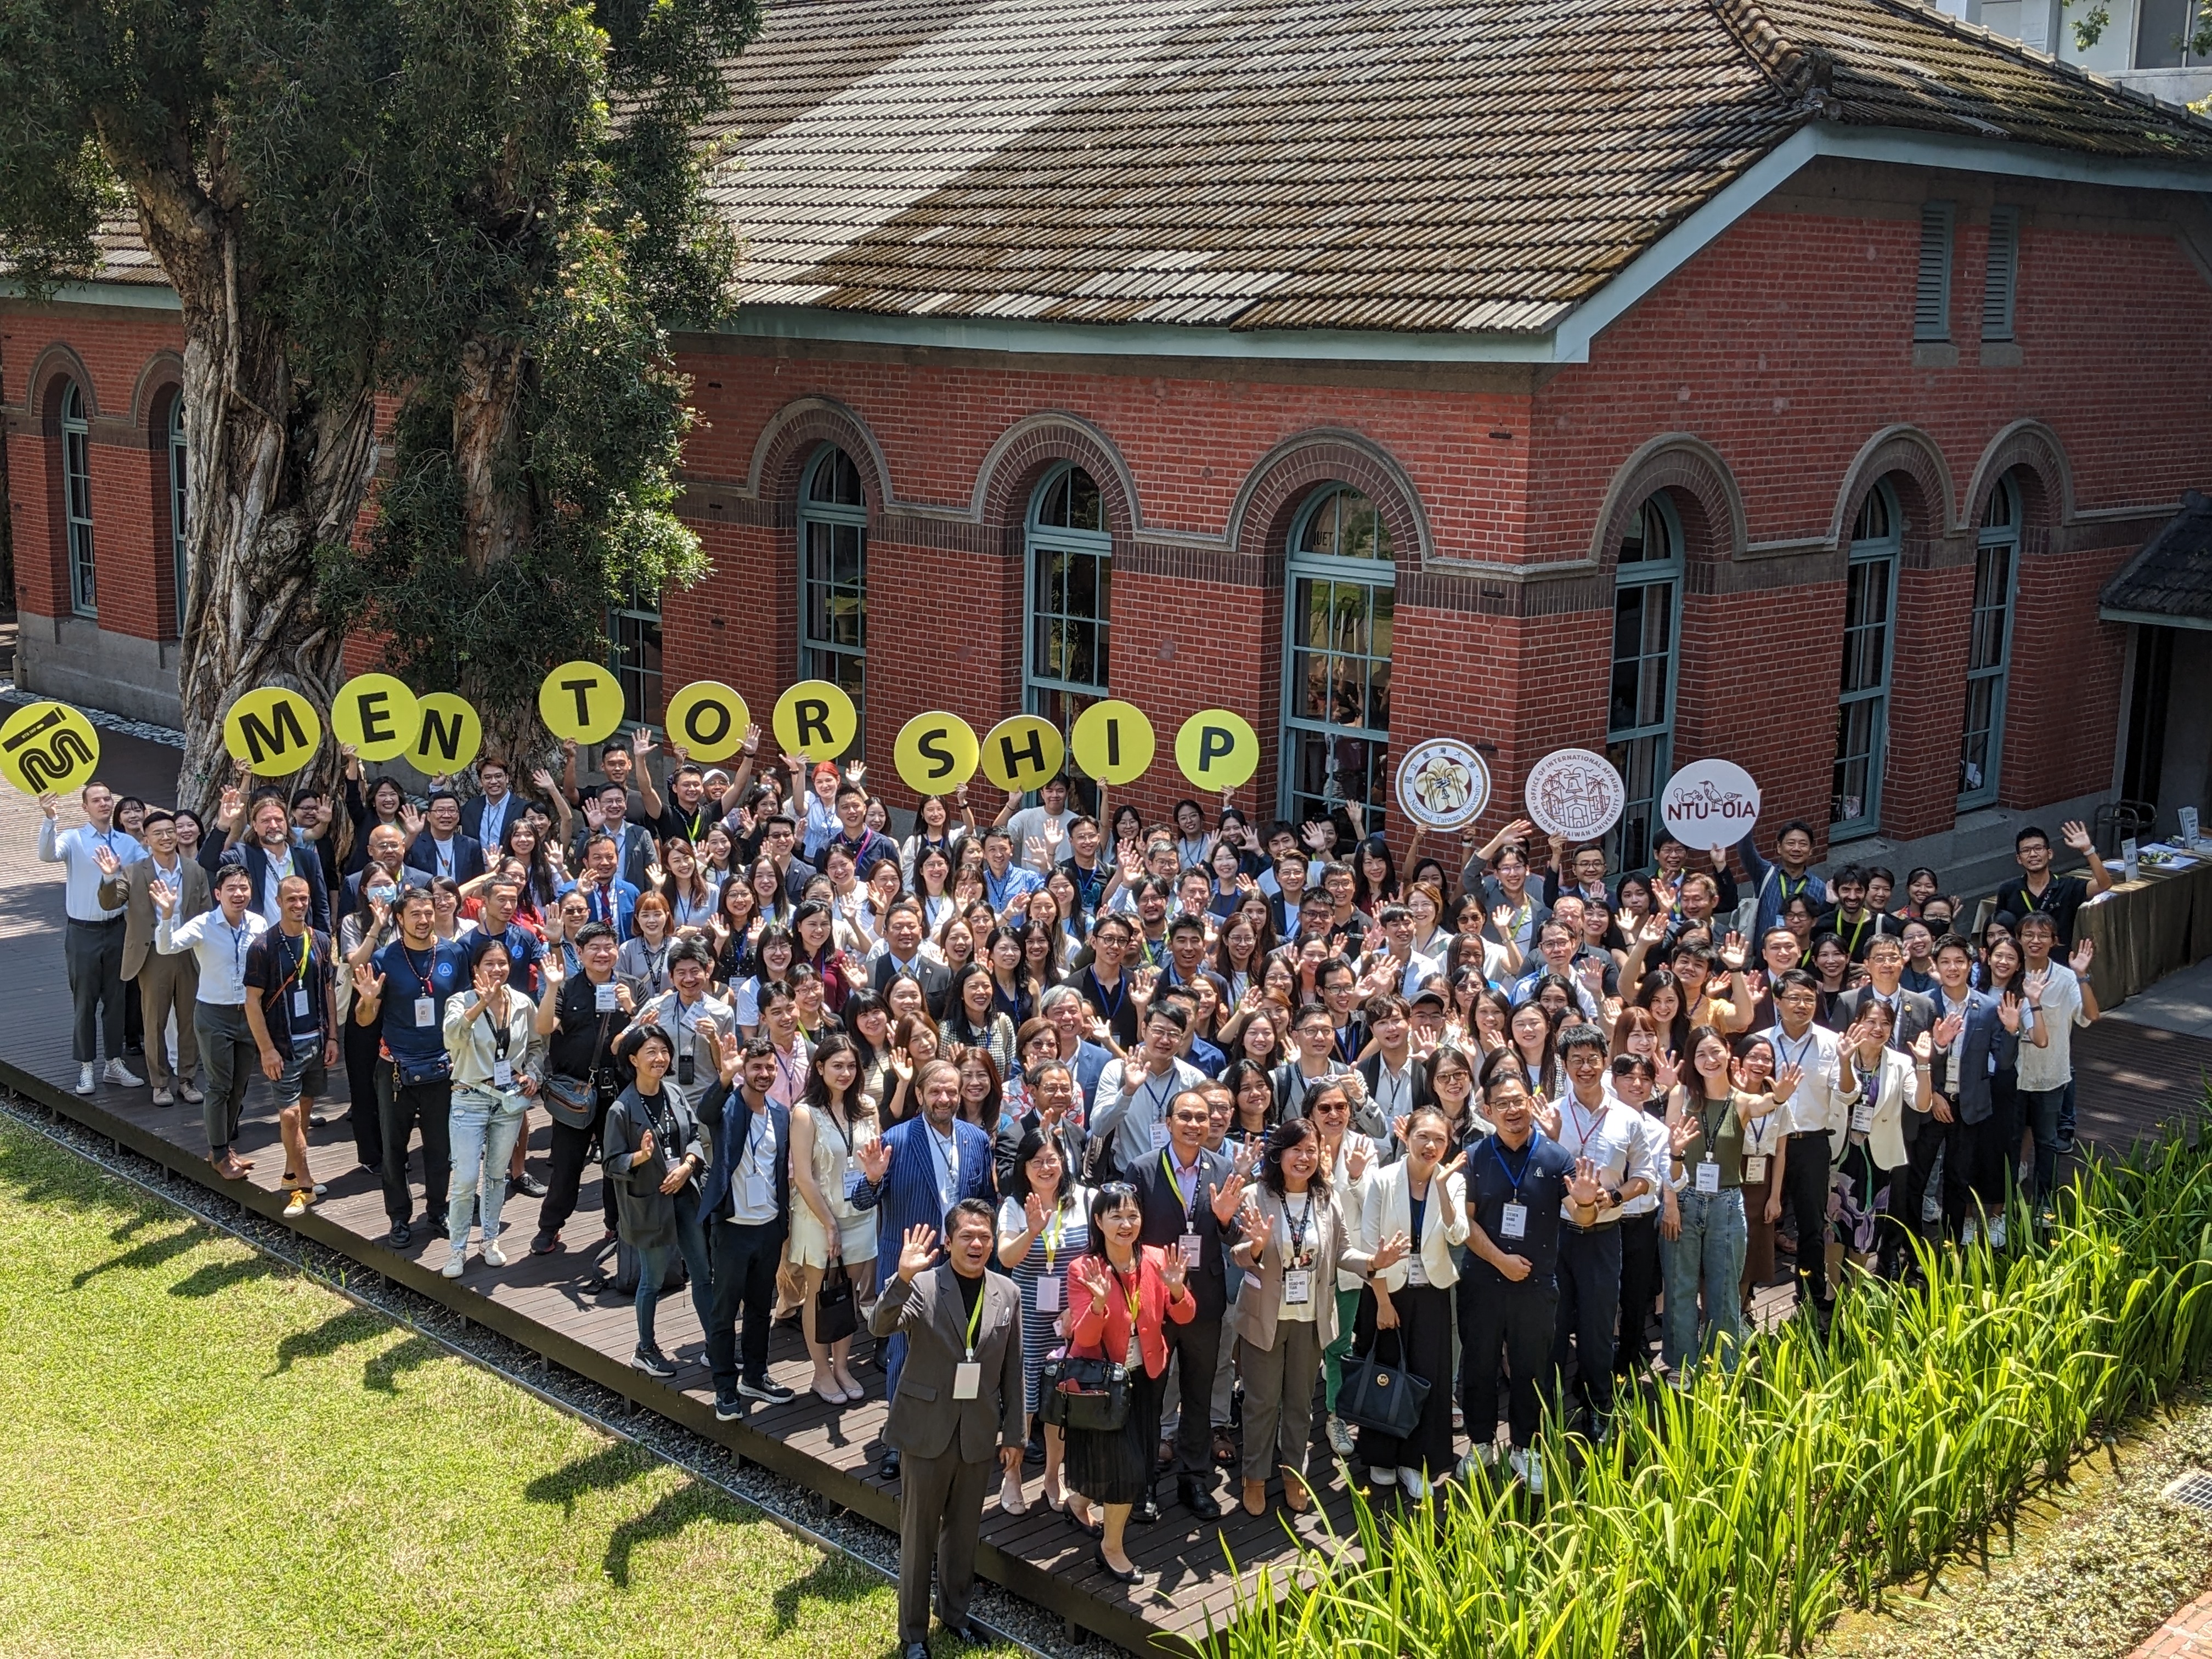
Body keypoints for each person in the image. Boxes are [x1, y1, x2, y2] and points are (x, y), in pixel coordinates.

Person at [1227, 1110, 1400, 1517]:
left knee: (1302, 1401)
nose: (1303, 1158)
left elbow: (1342, 1252)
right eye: (1295, 1150)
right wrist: (1256, 1246)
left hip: (1311, 1316)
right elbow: (1240, 1257)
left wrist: (1374, 1261)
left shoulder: (1328, 1198)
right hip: (1265, 1316)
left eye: (1311, 1150)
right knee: (1261, 1402)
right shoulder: (1256, 1196)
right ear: (1278, 1154)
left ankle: (1293, 1475)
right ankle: (1254, 1477)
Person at [871, 1205, 1024, 1659]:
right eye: (967, 1237)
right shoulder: (922, 1285)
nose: (977, 1245)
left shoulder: (1008, 1292)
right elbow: (880, 1325)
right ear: (950, 1240)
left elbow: (1013, 1371)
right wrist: (900, 1278)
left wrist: (1013, 1435)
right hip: (927, 1431)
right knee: (919, 1538)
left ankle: (955, 1616)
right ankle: (913, 1634)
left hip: (977, 1433)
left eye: (985, 1237)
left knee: (963, 1533)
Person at [1458, 1055, 1605, 1493]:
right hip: (1483, 1281)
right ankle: (1481, 1443)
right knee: (1480, 1367)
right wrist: (1500, 1259)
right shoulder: (1474, 1158)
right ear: (1487, 1112)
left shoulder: (1557, 1157)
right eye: (1501, 1104)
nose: (1512, 1110)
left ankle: (1526, 1446)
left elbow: (1585, 1219)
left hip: (1537, 1284)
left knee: (1532, 1369)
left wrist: (1585, 1201)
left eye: (1518, 1100)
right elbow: (1465, 1224)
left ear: (1531, 1101)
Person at [849, 1057, 998, 1477]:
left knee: (958, 1347)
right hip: (910, 1263)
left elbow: (983, 1200)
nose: (945, 1098)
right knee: (903, 1352)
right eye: (936, 1091)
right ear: (919, 1095)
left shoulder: (974, 1139)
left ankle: (951, 1429)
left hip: (962, 1263)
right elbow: (861, 1201)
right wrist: (874, 1179)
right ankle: (897, 1441)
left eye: (952, 1091)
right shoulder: (895, 1138)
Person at [1062, 1182, 1199, 1583]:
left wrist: (1177, 1290)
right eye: (1116, 1216)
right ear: (1099, 1221)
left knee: (1130, 1456)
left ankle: (1079, 1500)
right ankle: (1112, 1548)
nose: (1126, 1224)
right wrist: (1099, 1304)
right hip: (1104, 1382)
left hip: (1147, 1375)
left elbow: (1186, 1316)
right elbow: (1085, 1340)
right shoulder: (1083, 1268)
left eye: (1133, 1215)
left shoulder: (1156, 1259)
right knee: (1128, 1468)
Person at [1132, 1088, 1248, 1521]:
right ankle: (1143, 1482)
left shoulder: (1222, 1169)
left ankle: (1194, 1480)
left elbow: (1235, 1235)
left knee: (1200, 1392)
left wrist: (1222, 1219)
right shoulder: (1143, 1170)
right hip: (1156, 1299)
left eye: (1204, 1117)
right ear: (1169, 1122)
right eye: (1187, 1116)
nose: (1196, 1124)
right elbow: (1129, 1233)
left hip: (1205, 1299)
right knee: (1151, 1393)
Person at [1546, 1022, 1657, 1430]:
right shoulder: (1551, 1114)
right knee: (1553, 1328)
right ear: (1564, 1065)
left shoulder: (1629, 1118)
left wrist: (1611, 1199)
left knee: (1596, 1326)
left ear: (1606, 1063)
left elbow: (1645, 1175)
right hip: (1557, 1235)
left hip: (1605, 1234)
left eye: (1593, 1059)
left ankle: (1599, 1406)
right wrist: (1553, 1141)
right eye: (1577, 1061)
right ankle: (1550, 1406)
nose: (1586, 1068)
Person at [1357, 1104, 1469, 1497]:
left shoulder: (1452, 1181)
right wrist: (1384, 1302)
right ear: (1407, 1137)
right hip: (1387, 1290)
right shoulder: (1383, 1180)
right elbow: (1370, 1245)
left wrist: (1443, 1187)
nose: (1431, 1145)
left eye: (1440, 1139)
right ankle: (1382, 1457)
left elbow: (1458, 1236)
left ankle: (1416, 1460)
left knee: (1428, 1376)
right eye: (1424, 1136)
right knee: (1386, 1373)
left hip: (1433, 1291)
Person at [352, 885, 473, 1247]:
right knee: (394, 1150)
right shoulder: (385, 959)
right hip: (394, 1068)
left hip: (442, 1068)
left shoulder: (454, 952)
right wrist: (369, 1002)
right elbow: (363, 1020)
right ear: (400, 919)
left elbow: (464, 1010)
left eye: (428, 912)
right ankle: (399, 1218)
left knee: (441, 1149)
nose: (423, 920)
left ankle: (437, 1211)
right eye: (415, 914)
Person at [1660, 1026, 1784, 1375]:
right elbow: (1664, 1155)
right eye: (1700, 1054)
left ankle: (1724, 1366)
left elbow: (1764, 1104)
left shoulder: (1741, 1100)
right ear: (1692, 1061)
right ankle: (1681, 1364)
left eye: (1715, 1052)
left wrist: (1781, 1096)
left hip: (1727, 1203)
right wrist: (1670, 1201)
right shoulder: (1680, 1095)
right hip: (1683, 1198)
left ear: (1729, 1054)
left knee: (1725, 1288)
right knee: (1681, 1287)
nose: (1709, 1060)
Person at [601, 1025, 716, 1376]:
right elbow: (610, 1163)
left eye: (664, 1050)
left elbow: (696, 1136)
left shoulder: (675, 1093)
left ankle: (716, 1344)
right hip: (649, 1203)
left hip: (685, 1196)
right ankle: (645, 1348)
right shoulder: (621, 1109)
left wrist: (688, 1165)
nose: (660, 1058)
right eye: (650, 1052)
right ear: (633, 1059)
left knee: (702, 1273)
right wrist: (639, 1157)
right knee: (651, 1280)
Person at [696, 1034, 797, 1411]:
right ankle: (725, 1385)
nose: (765, 1073)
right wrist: (725, 1077)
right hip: (733, 1225)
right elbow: (705, 1114)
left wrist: (782, 1224)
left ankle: (755, 1375)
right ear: (744, 1071)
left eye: (770, 1067)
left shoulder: (781, 1114)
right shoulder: (727, 1107)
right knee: (725, 1310)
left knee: (760, 1307)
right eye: (756, 1067)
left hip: (769, 1225)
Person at [1764, 968, 1868, 1325]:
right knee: (1761, 1219)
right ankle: (1747, 1297)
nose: (1802, 1005)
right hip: (1765, 1146)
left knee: (1811, 1225)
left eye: (1809, 999)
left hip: (1812, 1143)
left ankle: (1810, 1296)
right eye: (1793, 998)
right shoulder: (1761, 1042)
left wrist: (1844, 1061)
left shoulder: (1832, 1042)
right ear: (1777, 1002)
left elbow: (1849, 1094)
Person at [996, 1127, 1091, 1515]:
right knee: (1025, 1403)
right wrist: (1032, 1231)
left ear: (1064, 1161)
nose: (1046, 1167)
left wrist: (1081, 1308)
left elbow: (1096, 1258)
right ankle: (1013, 1474)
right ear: (1025, 1167)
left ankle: (1054, 1475)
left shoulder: (1086, 1199)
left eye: (1052, 1159)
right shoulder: (1015, 1207)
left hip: (1073, 1318)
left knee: (1062, 1402)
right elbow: (1005, 1258)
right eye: (1037, 1162)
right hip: (1028, 1318)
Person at [440, 934, 546, 1273]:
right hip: (470, 1097)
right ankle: (457, 1249)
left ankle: (489, 1239)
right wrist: (480, 1005)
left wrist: (532, 1073)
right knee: (466, 1178)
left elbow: (536, 1046)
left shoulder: (523, 1003)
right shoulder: (460, 1001)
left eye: (502, 964)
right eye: (489, 964)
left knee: (497, 1176)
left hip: (509, 1101)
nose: (497, 970)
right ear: (476, 969)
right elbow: (452, 1038)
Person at [153, 861, 266, 1180]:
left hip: (249, 1015)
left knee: (240, 1087)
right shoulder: (203, 924)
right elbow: (166, 947)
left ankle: (226, 1147)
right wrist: (166, 914)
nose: (238, 893)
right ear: (218, 894)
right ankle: (218, 1154)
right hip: (215, 1015)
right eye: (231, 888)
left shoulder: (258, 923)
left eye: (243, 887)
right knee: (219, 1086)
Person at [531, 922, 634, 1255]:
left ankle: (615, 1227)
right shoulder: (565, 988)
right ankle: (550, 1228)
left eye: (609, 947)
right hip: (576, 1092)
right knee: (566, 1164)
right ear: (579, 952)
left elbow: (646, 1039)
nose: (603, 954)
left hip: (619, 1092)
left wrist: (632, 1008)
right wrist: (550, 988)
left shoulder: (630, 987)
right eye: (594, 948)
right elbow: (545, 1027)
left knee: (616, 1165)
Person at [788, 1031, 880, 1404]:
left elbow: (875, 1159)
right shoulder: (804, 1113)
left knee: (849, 1296)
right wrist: (828, 1223)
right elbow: (803, 1176)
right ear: (820, 1067)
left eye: (851, 1066)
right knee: (819, 1294)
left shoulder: (867, 1107)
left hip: (859, 1213)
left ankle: (842, 1366)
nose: (845, 1073)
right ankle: (821, 1372)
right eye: (836, 1065)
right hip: (817, 1216)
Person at [241, 873, 340, 1217]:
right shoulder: (263, 947)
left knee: (306, 1111)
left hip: (315, 1040)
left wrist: (331, 1036)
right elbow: (252, 1003)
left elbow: (327, 990)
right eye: (291, 900)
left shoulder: (322, 940)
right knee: (289, 1115)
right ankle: (305, 1185)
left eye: (304, 898)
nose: (299, 905)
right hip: (283, 1046)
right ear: (279, 903)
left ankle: (289, 1174)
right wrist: (266, 1050)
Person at [94, 808, 207, 1108]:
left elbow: (207, 913)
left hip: (188, 952)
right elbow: (110, 901)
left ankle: (187, 1079)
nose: (166, 837)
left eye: (170, 831)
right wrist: (108, 877)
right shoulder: (134, 871)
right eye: (158, 833)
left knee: (189, 1019)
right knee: (154, 1021)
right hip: (152, 954)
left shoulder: (194, 871)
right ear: (146, 839)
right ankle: (160, 1084)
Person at [41, 782, 146, 1093]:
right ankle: (86, 1066)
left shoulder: (127, 844)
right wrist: (50, 819)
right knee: (85, 1001)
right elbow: (47, 854)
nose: (103, 804)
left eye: (107, 799)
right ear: (85, 807)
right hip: (82, 930)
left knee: (116, 999)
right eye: (96, 800)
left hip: (117, 928)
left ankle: (114, 1062)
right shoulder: (75, 839)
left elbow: (153, 866)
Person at [2015, 912, 2097, 1221]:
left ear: (2054, 941)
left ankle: (2043, 1204)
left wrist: (2082, 976)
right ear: (2020, 938)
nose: (2035, 941)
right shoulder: (2008, 970)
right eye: (2029, 934)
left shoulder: (2065, 978)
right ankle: (2007, 1200)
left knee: (2047, 1143)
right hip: (2012, 1075)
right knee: (2009, 1140)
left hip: (2050, 1075)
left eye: (2043, 935)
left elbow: (2090, 1017)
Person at [1090, 1003, 1208, 1178]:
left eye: (1174, 1034)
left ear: (1183, 1038)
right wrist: (1127, 1091)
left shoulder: (1194, 1079)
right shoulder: (1116, 1070)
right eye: (1158, 1031)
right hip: (1128, 1177)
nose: (1165, 1040)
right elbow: (1099, 1128)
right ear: (1144, 1029)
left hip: (1179, 1177)